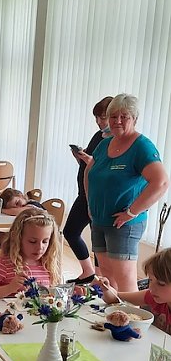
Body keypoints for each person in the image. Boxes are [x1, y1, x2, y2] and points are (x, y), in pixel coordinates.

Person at [86, 94, 169, 291]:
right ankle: (113, 309)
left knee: (124, 278)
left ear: (135, 119)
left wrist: (131, 212)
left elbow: (161, 182)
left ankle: (129, 312)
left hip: (123, 224)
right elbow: (89, 172)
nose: (118, 121)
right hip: (99, 219)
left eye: (124, 117)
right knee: (106, 275)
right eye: (113, 116)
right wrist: (90, 204)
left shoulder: (141, 146)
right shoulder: (105, 143)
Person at [62, 97, 113, 284]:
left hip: (98, 196)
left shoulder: (115, 140)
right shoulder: (99, 135)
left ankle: (99, 278)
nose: (99, 122)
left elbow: (104, 168)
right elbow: (89, 165)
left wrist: (89, 161)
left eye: (103, 118)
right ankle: (88, 271)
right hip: (84, 193)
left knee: (99, 241)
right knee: (70, 232)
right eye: (96, 118)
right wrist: (80, 158)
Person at [0, 208, 61, 299]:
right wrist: (9, 288)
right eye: (32, 241)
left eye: (45, 241)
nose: (40, 247)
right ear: (18, 238)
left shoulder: (48, 264)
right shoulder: (4, 264)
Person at [97, 246, 171, 334]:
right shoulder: (153, 296)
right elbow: (116, 297)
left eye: (161, 283)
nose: (151, 288)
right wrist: (107, 288)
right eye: (150, 280)